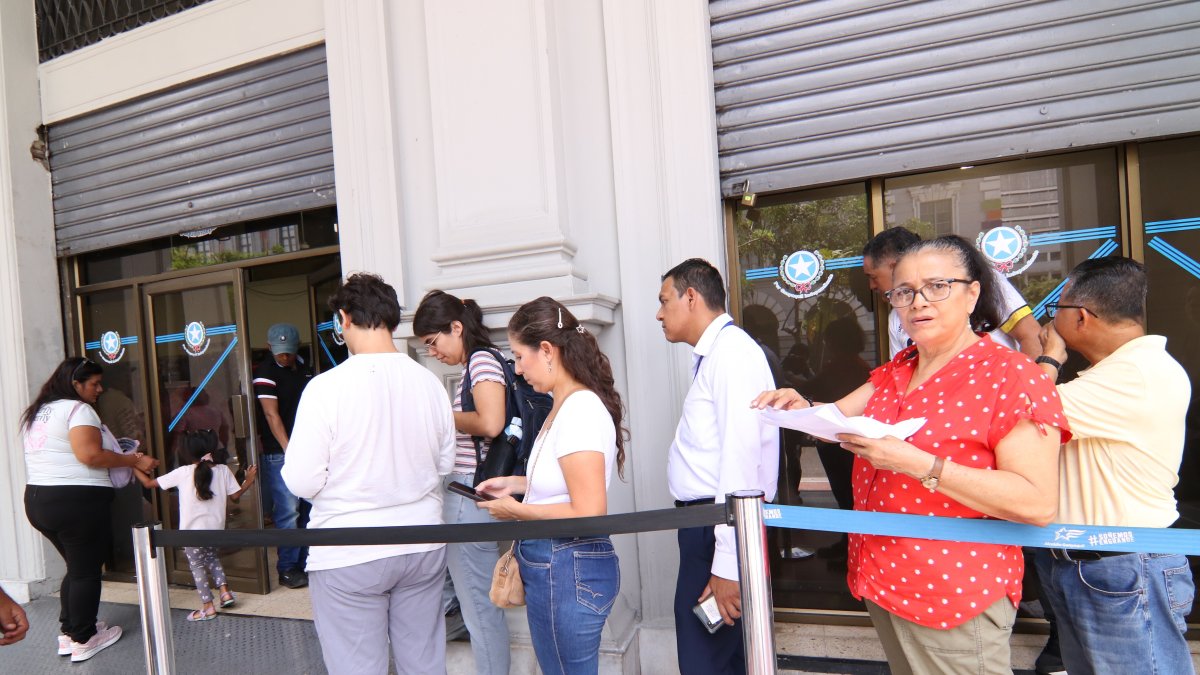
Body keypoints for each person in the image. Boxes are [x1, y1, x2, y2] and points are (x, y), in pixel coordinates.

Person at [754, 235, 1070, 675]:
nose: (918, 302)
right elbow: (835, 420)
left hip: (953, 593)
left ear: (972, 292)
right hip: (882, 578)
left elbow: (1036, 502)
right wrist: (800, 406)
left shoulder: (1011, 375)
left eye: (937, 286)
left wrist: (919, 464)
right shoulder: (897, 368)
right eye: (903, 292)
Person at [282, 273, 457, 675]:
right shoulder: (429, 383)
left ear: (344, 319)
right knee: (425, 663)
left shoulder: (325, 389)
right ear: (393, 320)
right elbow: (445, 464)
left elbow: (302, 480)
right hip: (422, 541)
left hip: (349, 548)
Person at [1034, 256, 1194, 675]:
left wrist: (1049, 357)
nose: (1050, 321)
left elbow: (1024, 411)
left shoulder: (1137, 374)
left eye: (1057, 310)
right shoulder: (1116, 373)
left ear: (1082, 317)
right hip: (1092, 564)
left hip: (1123, 566)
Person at [476, 297, 625, 675]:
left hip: (566, 563)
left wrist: (516, 510)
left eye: (519, 356)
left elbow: (589, 509)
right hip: (561, 562)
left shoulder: (579, 408)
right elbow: (564, 480)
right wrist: (515, 483)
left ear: (546, 350)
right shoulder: (563, 404)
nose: (518, 369)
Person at [656, 258, 779, 674]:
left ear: (691, 297)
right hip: (710, 525)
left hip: (720, 525)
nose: (659, 313)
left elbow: (742, 455)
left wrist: (729, 563)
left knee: (707, 658)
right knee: (714, 653)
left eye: (664, 301)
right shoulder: (719, 353)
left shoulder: (732, 353)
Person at [20, 357, 158, 662]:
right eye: (94, 383)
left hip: (39, 499)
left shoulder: (40, 410)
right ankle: (84, 638)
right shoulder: (78, 409)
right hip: (77, 501)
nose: (100, 389)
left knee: (77, 567)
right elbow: (91, 455)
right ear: (75, 384)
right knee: (86, 571)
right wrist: (135, 460)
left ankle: (70, 632)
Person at [412, 289, 511, 675]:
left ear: (456, 327)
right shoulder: (482, 361)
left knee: (479, 609)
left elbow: (490, 422)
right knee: (474, 602)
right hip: (470, 491)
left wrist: (441, 416)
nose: (433, 352)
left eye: (434, 342)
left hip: (468, 492)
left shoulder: (481, 361)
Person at [133, 429, 257, 622]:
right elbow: (235, 496)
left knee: (197, 566)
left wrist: (133, 465)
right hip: (216, 530)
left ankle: (208, 607)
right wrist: (248, 480)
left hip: (191, 534)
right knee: (212, 558)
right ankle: (225, 592)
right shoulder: (223, 470)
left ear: (186, 452)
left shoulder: (183, 472)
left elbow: (149, 484)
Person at [863, 226, 1042, 359]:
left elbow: (1030, 334)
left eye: (873, 276)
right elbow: (900, 372)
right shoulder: (897, 316)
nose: (871, 286)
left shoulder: (978, 278)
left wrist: (1030, 397)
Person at [253, 322, 313, 589]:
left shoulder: (305, 368)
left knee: (309, 508)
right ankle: (288, 568)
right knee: (288, 511)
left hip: (309, 448)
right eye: (280, 352)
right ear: (269, 348)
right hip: (281, 452)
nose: (284, 357)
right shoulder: (265, 372)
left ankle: (307, 562)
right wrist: (290, 450)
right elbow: (271, 414)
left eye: (288, 352)